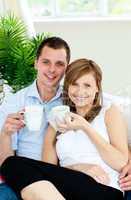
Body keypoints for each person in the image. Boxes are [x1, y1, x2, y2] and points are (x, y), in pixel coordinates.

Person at [1, 58, 128, 200]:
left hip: (105, 189)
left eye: (87, 85)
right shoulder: (56, 120)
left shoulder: (109, 112)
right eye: (75, 84)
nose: (80, 91)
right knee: (11, 164)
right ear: (67, 87)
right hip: (66, 189)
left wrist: (85, 126)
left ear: (97, 87)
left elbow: (121, 163)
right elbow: (47, 171)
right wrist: (79, 168)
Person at [0, 36, 71, 199]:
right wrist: (5, 134)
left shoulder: (73, 99)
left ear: (66, 68)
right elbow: (6, 163)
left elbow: (105, 109)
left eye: (59, 64)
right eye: (46, 62)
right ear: (36, 63)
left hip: (64, 174)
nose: (52, 70)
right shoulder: (14, 102)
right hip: (25, 176)